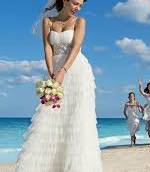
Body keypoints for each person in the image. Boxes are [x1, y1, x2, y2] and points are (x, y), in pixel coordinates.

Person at [16, 0, 103, 171]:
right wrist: (51, 71)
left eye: (80, 5)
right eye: (75, 3)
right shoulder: (48, 21)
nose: (77, 8)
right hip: (54, 70)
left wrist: (63, 70)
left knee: (76, 117)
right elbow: (48, 47)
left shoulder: (80, 22)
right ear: (65, 0)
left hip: (76, 71)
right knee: (49, 115)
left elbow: (76, 47)